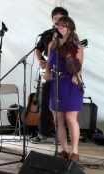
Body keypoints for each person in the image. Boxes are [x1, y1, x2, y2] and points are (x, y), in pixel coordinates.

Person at [44, 16, 84, 161]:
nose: (59, 28)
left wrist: (76, 74)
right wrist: (47, 73)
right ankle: (64, 150)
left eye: (63, 26)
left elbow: (79, 67)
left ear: (69, 29)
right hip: (56, 83)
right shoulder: (52, 45)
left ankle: (75, 151)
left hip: (71, 84)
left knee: (70, 118)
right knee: (58, 119)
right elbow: (49, 63)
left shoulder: (77, 46)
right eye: (58, 25)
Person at [30, 7, 69, 144]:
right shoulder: (47, 34)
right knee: (45, 101)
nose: (58, 21)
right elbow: (38, 49)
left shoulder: (70, 36)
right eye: (55, 19)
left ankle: (61, 135)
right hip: (48, 73)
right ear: (52, 20)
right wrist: (40, 60)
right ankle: (43, 133)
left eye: (61, 18)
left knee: (61, 104)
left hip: (64, 74)